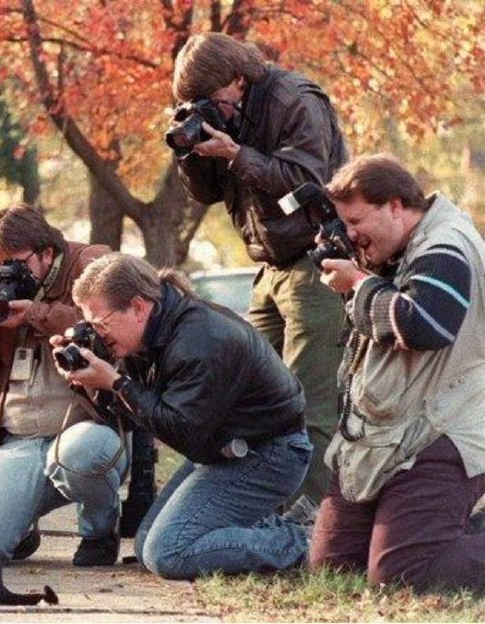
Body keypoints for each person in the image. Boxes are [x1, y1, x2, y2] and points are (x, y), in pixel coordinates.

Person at [51, 252, 312, 580]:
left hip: (269, 454)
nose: (98, 334)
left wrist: (117, 383)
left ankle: (306, 542)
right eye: (91, 325)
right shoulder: (148, 336)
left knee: (169, 552)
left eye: (101, 324)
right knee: (148, 546)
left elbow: (181, 432)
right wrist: (90, 381)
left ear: (138, 306)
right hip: (221, 449)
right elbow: (136, 419)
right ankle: (268, 524)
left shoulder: (200, 340)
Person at [171, 32, 348, 505]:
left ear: (238, 78)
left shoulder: (294, 100)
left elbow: (309, 182)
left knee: (308, 406)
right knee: (252, 400)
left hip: (316, 262)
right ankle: (259, 510)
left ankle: (320, 531)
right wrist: (191, 152)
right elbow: (208, 194)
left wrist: (235, 153)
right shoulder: (229, 109)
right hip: (268, 269)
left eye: (209, 100)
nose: (206, 108)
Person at [309, 154, 485, 592]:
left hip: (444, 429)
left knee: (404, 575)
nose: (350, 235)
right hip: (389, 432)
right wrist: (366, 273)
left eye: (356, 221)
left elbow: (424, 325)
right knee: (333, 570)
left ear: (395, 206)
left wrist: (358, 285)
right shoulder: (403, 249)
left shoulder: (445, 247)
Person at [0, 203, 127, 567]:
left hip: (84, 433)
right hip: (20, 442)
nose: (7, 273)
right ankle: (19, 523)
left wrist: (35, 313)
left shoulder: (90, 264)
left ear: (47, 253)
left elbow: (110, 326)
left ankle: (99, 531)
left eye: (16, 263)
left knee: (81, 454)